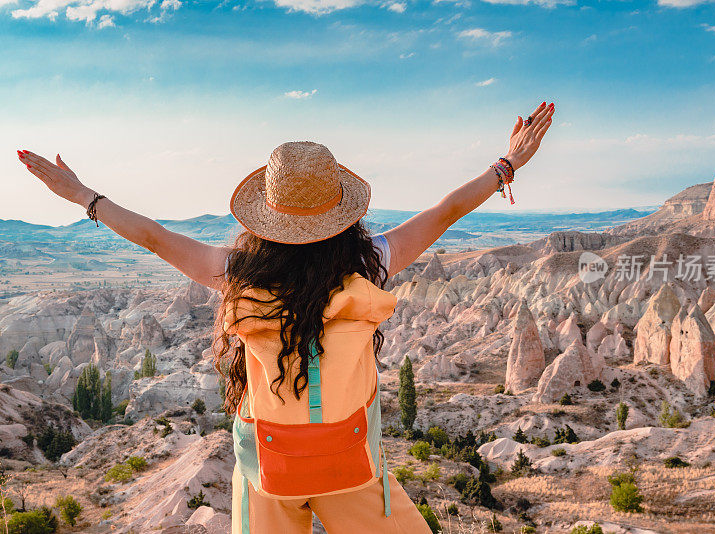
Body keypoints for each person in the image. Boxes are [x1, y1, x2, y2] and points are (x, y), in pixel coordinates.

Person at [16, 101, 554, 533]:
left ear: (266, 214)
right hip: (353, 469)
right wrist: (506, 165)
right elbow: (446, 212)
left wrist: (84, 196)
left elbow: (155, 236)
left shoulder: (238, 273)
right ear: (342, 210)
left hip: (267, 474)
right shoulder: (369, 266)